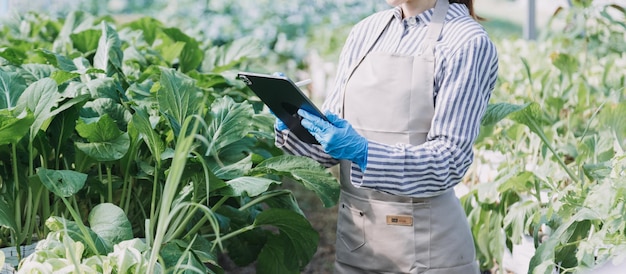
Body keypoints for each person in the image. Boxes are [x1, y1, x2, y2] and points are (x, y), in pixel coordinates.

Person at [274, 0, 498, 273]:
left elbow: (449, 161)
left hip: (426, 253)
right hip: (357, 243)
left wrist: (365, 153)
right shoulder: (365, 32)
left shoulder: (466, 42)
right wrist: (296, 125)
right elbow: (327, 148)